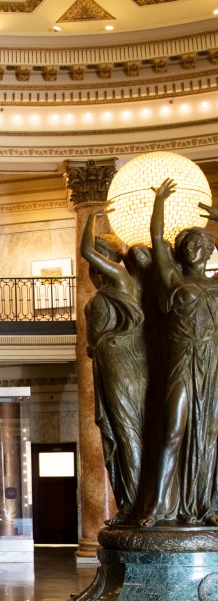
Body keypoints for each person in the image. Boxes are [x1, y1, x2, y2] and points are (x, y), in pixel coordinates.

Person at [139, 179, 218, 526]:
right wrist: (159, 203)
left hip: (212, 361)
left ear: (208, 249)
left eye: (197, 243)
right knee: (173, 429)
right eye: (185, 244)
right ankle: (155, 506)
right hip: (182, 359)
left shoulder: (215, 285)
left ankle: (206, 506)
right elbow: (157, 242)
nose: (190, 248)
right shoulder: (174, 279)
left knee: (210, 434)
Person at [80, 205, 148, 524]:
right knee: (113, 431)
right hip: (106, 361)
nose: (92, 271)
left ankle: (135, 502)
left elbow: (84, 251)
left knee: (127, 428)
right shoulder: (108, 290)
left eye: (97, 259)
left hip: (123, 360)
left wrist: (93, 218)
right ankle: (126, 501)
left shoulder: (122, 279)